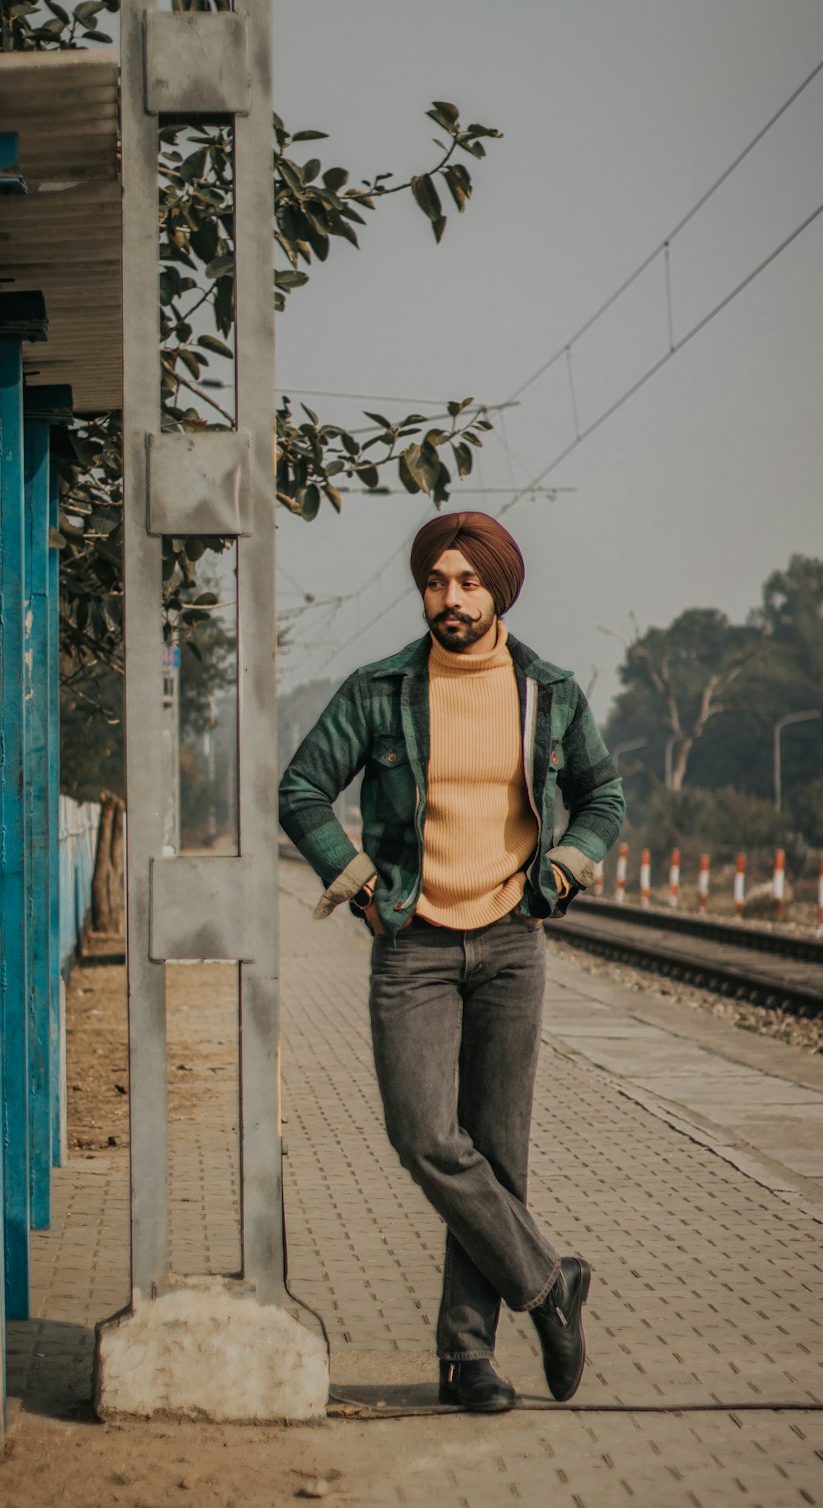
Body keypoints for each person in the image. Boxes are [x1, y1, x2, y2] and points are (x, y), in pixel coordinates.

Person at [278, 511, 625, 1413]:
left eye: (468, 583)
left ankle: (467, 1361)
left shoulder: (545, 691)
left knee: (498, 1155)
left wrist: (562, 868)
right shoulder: (382, 689)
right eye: (436, 581)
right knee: (425, 1135)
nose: (450, 599)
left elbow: (605, 795)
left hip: (514, 939)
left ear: (498, 591)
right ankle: (551, 1285)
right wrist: (358, 885)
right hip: (414, 944)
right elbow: (302, 789)